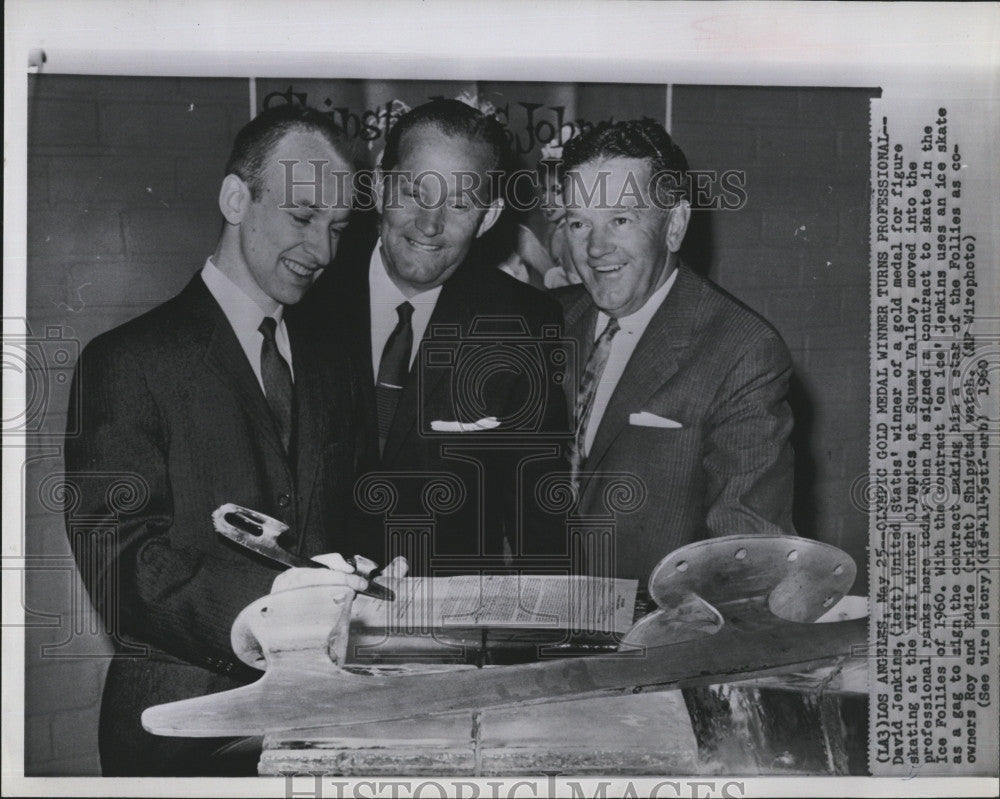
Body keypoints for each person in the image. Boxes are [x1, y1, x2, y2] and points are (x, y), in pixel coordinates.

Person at [63, 104, 373, 776]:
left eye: (337, 227)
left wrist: (375, 578)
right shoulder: (126, 362)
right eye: (301, 217)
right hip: (183, 733)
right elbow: (118, 560)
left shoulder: (336, 360)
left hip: (324, 726)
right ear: (237, 198)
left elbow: (351, 519)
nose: (322, 251)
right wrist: (257, 613)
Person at [301, 98, 569, 576]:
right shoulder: (306, 287)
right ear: (381, 189)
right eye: (414, 192)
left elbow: (539, 520)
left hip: (448, 626)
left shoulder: (524, 323)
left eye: (461, 203)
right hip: (305, 605)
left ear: (488, 218)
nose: (430, 223)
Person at [556, 118, 796, 586]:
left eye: (621, 220)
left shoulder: (742, 350)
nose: (595, 247)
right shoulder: (545, 320)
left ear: (675, 225)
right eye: (579, 222)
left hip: (652, 637)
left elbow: (745, 552)